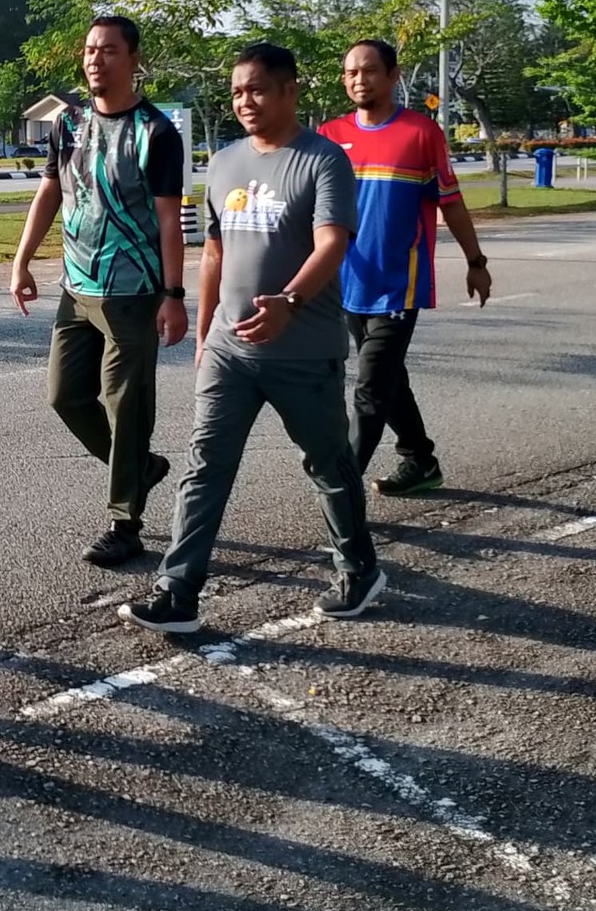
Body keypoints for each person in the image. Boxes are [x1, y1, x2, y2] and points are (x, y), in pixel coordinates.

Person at [122, 42, 386, 634]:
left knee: (328, 462)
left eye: (258, 89)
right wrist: (207, 329)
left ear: (291, 90)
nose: (246, 101)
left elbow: (332, 244)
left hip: (303, 350)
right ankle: (178, 592)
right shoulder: (224, 161)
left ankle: (359, 567)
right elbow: (214, 252)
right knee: (205, 466)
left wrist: (289, 302)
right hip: (230, 352)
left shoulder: (322, 161)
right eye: (238, 91)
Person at [8, 15, 189, 567]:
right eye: (89, 50)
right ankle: (140, 470)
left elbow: (167, 221)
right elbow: (48, 195)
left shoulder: (156, 133)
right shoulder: (70, 125)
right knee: (65, 395)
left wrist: (174, 294)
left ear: (134, 61)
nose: (94, 59)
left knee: (126, 405)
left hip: (133, 292)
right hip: (76, 286)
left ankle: (125, 522)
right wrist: (21, 261)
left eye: (108, 50)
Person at [318, 39, 492, 496]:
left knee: (371, 390)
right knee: (391, 380)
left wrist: (476, 262)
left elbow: (451, 204)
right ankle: (419, 460)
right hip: (346, 284)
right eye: (352, 72)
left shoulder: (421, 133)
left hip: (400, 285)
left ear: (393, 76)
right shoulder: (330, 137)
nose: (360, 79)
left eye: (370, 70)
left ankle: (341, 489)